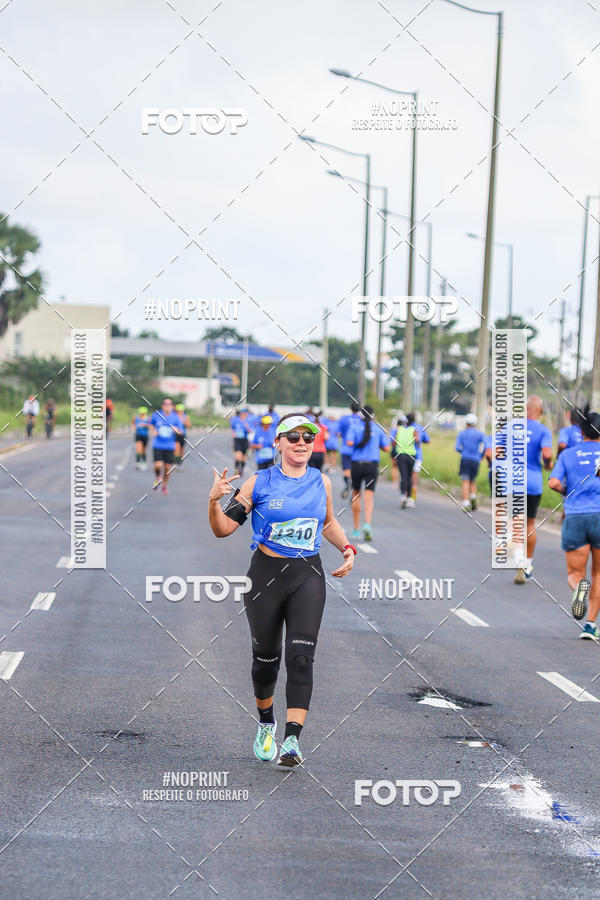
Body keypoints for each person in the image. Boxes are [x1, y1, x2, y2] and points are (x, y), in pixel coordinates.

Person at [208, 413, 356, 766]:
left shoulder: (322, 482)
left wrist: (348, 548)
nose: (302, 442)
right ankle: (266, 724)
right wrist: (213, 501)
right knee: (265, 663)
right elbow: (223, 529)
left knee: (301, 657)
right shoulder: (258, 483)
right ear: (278, 443)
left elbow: (329, 522)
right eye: (293, 437)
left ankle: (292, 741)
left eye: (308, 437)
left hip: (307, 575)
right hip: (265, 577)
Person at [549, 404, 600, 639]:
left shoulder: (569, 454)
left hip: (576, 517)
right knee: (598, 572)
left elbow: (553, 482)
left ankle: (579, 587)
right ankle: (590, 625)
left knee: (575, 572)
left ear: (581, 432)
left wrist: (568, 490)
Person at [514, 395, 553, 585]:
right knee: (530, 523)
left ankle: (517, 558)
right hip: (533, 482)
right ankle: (526, 563)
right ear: (541, 411)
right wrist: (548, 464)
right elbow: (547, 454)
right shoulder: (543, 431)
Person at [346, 405, 390, 541]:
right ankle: (368, 525)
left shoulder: (355, 427)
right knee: (369, 497)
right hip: (372, 466)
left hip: (357, 465)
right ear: (373, 415)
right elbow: (387, 448)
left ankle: (355, 529)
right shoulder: (377, 429)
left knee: (356, 495)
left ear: (361, 415)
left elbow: (349, 442)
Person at [150, 398, 182, 495]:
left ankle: (164, 485)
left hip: (169, 446)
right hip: (158, 445)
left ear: (172, 406)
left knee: (167, 468)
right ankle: (158, 478)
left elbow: (181, 431)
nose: (167, 405)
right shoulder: (157, 415)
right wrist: (153, 431)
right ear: (162, 406)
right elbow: (151, 424)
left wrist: (176, 430)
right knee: (157, 465)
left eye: (169, 404)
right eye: (165, 404)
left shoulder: (175, 418)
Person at [455, 413, 486, 511]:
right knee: (473, 481)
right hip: (476, 460)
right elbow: (486, 445)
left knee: (465, 481)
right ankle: (473, 496)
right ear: (475, 423)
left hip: (465, 459)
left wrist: (462, 451)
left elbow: (457, 447)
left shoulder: (462, 433)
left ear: (466, 423)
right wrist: (481, 455)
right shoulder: (480, 434)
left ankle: (466, 503)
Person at [393, 414, 419, 509]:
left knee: (403, 476)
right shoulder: (414, 430)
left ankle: (403, 496)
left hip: (401, 455)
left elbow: (394, 442)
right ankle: (408, 497)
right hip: (411, 455)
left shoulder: (399, 429)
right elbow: (418, 440)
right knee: (410, 476)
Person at [338, 401, 362, 499]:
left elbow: (338, 432)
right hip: (358, 450)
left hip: (346, 448)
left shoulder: (344, 419)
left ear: (350, 408)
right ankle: (354, 490)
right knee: (356, 471)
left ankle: (348, 482)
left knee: (346, 469)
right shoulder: (362, 420)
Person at [411, 417, 430, 504]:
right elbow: (427, 440)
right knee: (415, 477)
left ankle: (405, 495)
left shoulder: (405, 427)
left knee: (407, 476)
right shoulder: (420, 428)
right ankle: (413, 498)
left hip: (407, 455)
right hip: (418, 456)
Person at [230, 409, 252, 476]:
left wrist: (247, 427)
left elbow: (250, 431)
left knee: (243, 457)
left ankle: (241, 469)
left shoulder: (248, 421)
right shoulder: (236, 420)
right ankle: (236, 470)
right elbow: (232, 428)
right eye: (244, 414)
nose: (245, 415)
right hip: (237, 440)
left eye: (246, 414)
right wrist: (233, 433)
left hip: (245, 440)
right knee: (238, 456)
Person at [133, 406, 150, 470]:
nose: (142, 414)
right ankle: (137, 463)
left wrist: (145, 425)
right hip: (138, 435)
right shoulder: (136, 418)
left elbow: (151, 426)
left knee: (144, 450)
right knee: (138, 449)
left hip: (145, 436)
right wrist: (134, 428)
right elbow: (133, 424)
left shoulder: (148, 419)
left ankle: (144, 462)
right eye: (141, 413)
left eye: (143, 413)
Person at [174, 403, 191, 468]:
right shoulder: (174, 417)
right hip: (176, 435)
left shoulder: (185, 416)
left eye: (181, 410)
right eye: (179, 410)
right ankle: (176, 463)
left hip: (183, 435)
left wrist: (185, 422)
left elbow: (189, 426)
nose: (180, 412)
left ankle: (180, 463)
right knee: (176, 450)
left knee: (181, 451)